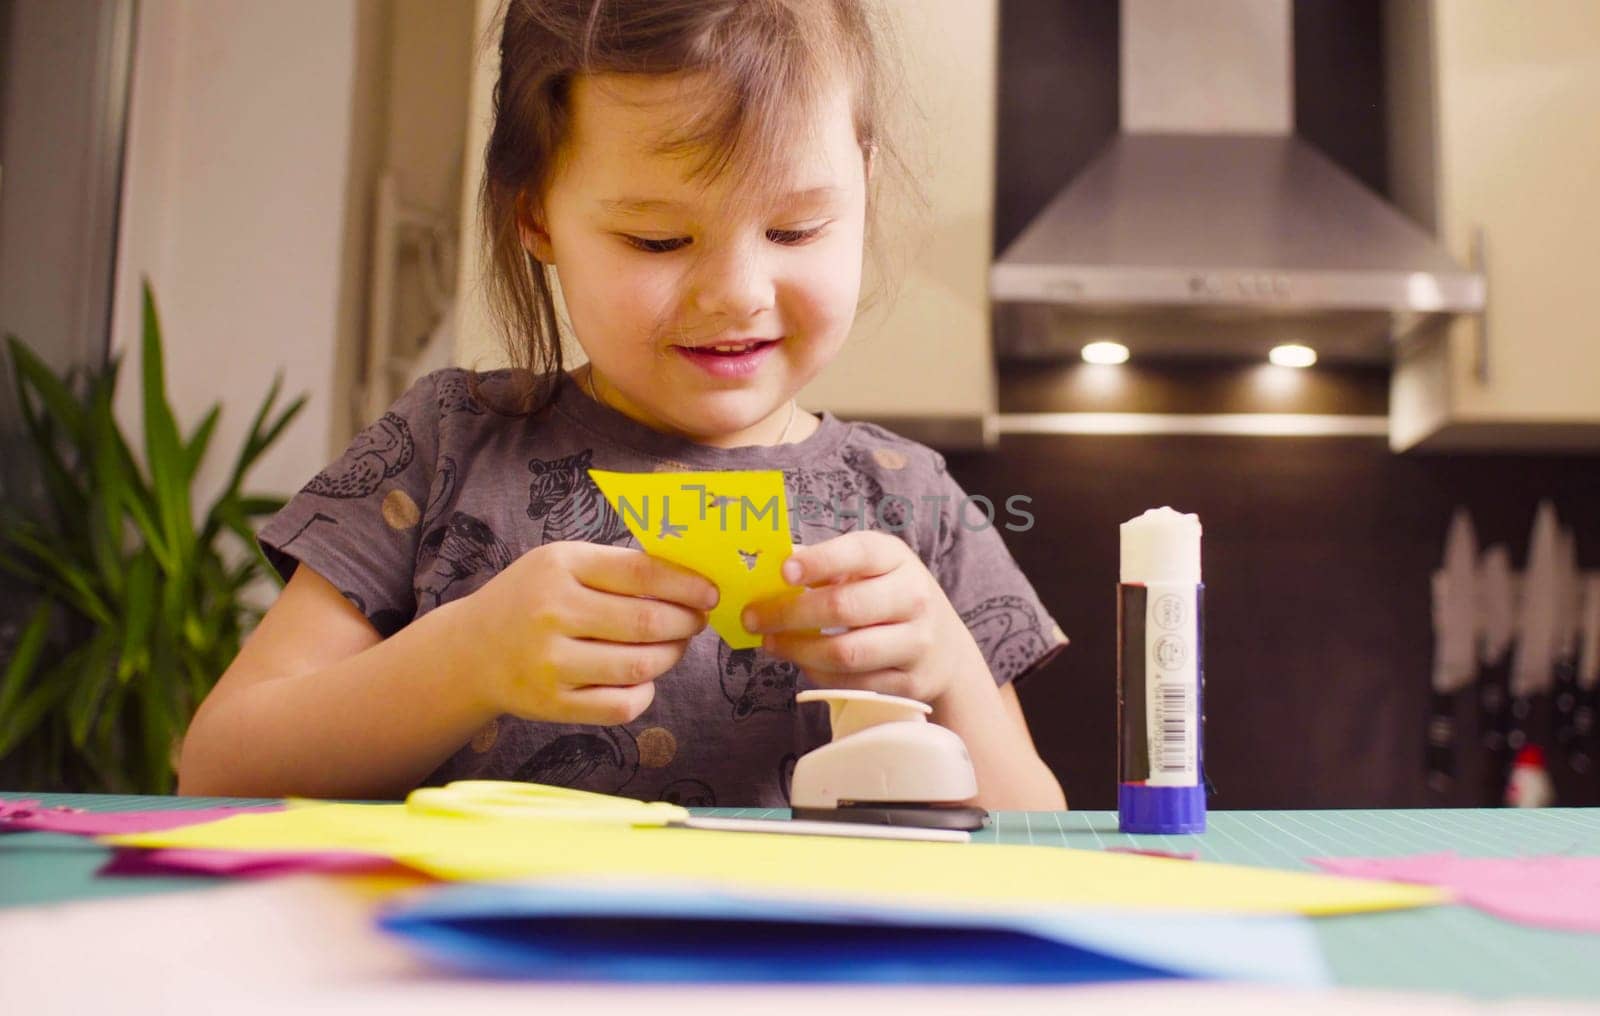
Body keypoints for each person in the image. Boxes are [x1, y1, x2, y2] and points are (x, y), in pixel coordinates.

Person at [178, 0, 1068, 809]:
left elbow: (1040, 830)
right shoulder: (444, 446)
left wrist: (948, 667)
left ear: (863, 184)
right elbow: (220, 766)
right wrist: (464, 659)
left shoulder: (909, 498)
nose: (736, 293)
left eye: (794, 229)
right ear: (536, 217)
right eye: (658, 238)